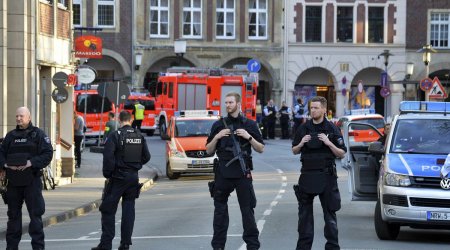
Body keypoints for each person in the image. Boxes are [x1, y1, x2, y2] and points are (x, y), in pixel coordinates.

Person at [206, 92, 265, 250]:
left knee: (247, 211)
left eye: (230, 102)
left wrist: (249, 137)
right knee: (220, 212)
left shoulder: (249, 124)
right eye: (226, 103)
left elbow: (261, 148)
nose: (227, 105)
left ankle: (252, 246)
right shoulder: (218, 125)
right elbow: (208, 151)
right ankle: (218, 246)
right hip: (223, 173)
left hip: (242, 173)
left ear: (238, 104)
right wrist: (217, 137)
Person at [291, 96, 346, 250]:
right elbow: (294, 150)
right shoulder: (304, 128)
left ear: (323, 109)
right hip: (307, 175)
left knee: (330, 216)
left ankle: (332, 247)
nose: (313, 110)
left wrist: (329, 143)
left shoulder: (332, 128)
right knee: (304, 218)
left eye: (316, 108)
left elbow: (341, 153)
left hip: (326, 176)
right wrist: (301, 143)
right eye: (311, 108)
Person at [92, 111, 151, 250]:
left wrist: (108, 174)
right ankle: (125, 244)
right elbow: (146, 156)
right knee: (129, 210)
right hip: (133, 178)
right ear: (131, 120)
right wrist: (136, 166)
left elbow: (108, 157)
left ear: (119, 121)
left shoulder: (115, 136)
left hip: (117, 178)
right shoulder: (139, 136)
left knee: (108, 209)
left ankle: (105, 245)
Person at [0, 107, 53, 250]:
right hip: (13, 182)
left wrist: (31, 163)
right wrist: (5, 165)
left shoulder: (38, 135)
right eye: (17, 116)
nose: (18, 119)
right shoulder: (10, 136)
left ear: (29, 117)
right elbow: (1, 153)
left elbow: (48, 154)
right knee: (13, 219)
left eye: (21, 116)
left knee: (35, 218)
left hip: (32, 181)